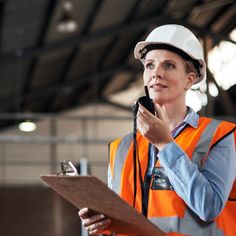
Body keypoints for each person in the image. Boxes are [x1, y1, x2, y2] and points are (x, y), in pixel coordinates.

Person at [79, 24, 236, 236]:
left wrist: (165, 144)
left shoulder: (219, 135)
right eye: (150, 65)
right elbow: (120, 217)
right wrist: (100, 225)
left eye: (168, 65)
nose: (156, 74)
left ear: (189, 79)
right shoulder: (121, 148)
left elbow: (209, 207)